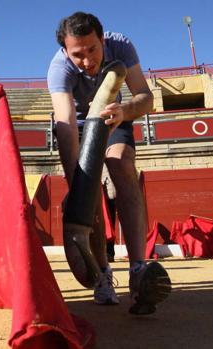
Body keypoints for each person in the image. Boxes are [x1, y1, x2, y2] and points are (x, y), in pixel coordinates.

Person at [47, 12, 171, 315]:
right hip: (76, 127)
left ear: (103, 39)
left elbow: (146, 97)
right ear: (65, 51)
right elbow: (64, 123)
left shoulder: (122, 46)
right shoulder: (58, 68)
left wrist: (125, 110)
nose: (87, 60)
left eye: (93, 49)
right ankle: (103, 274)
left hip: (114, 116)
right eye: (78, 54)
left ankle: (138, 269)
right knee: (87, 193)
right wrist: (76, 183)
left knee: (122, 167)